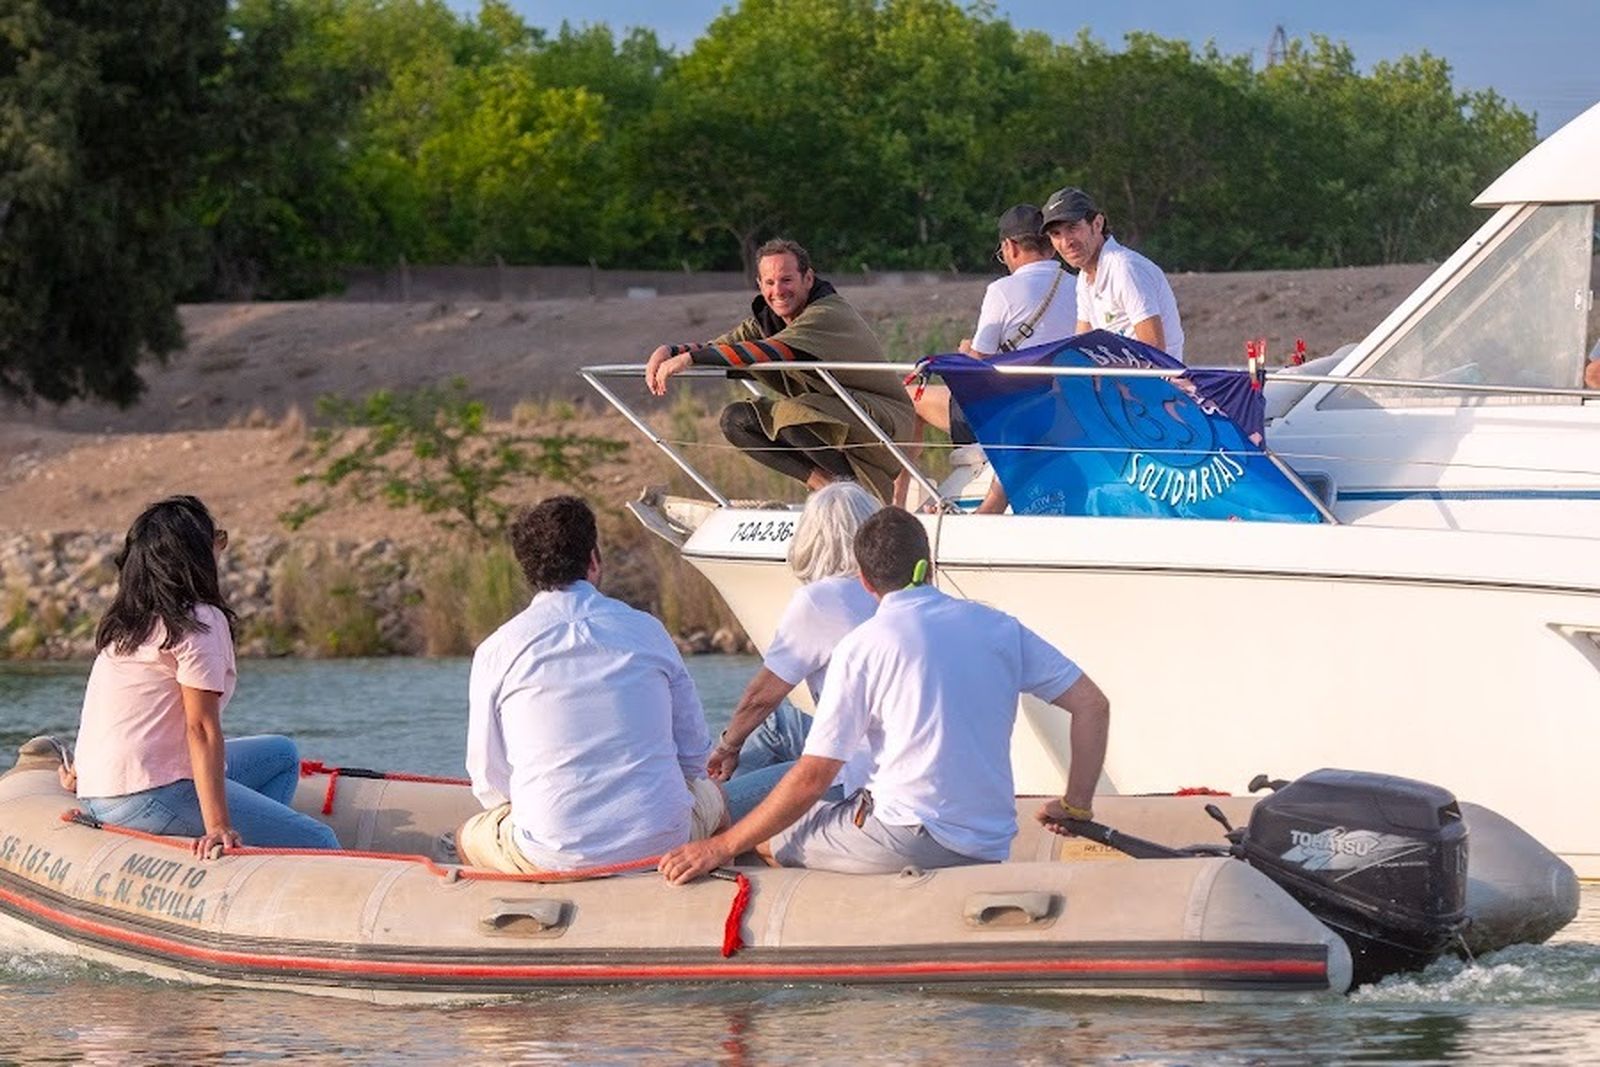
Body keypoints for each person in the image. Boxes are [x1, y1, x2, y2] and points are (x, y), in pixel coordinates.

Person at [659, 507, 1110, 882]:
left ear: (865, 582)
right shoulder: (1000, 627)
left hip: (906, 836)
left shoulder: (863, 645)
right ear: (928, 564)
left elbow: (814, 776)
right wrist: (1076, 805)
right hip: (991, 842)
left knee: (761, 842)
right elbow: (1092, 705)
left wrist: (719, 846)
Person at [457, 495, 727, 872]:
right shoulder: (648, 630)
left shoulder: (498, 649)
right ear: (594, 559)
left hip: (551, 854)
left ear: (527, 571)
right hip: (663, 843)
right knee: (715, 799)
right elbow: (695, 755)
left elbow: (489, 782)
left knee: (468, 836)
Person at [71, 495, 339, 858]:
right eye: (218, 539)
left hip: (98, 792)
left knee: (281, 754)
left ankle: (254, 851)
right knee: (321, 842)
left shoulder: (127, 624)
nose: (220, 549)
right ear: (196, 553)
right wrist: (218, 825)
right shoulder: (198, 622)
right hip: (148, 795)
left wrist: (83, 773)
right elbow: (201, 729)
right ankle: (238, 849)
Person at [643, 238, 914, 502]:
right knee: (736, 419)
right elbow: (719, 347)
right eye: (770, 283)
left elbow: (774, 350)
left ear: (807, 279)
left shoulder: (827, 312)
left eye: (786, 280)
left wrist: (692, 359)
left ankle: (856, 496)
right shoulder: (766, 322)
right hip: (837, 415)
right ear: (760, 285)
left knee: (790, 415)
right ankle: (827, 486)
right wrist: (670, 351)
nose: (778, 290)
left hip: (883, 425)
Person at [713, 481, 882, 820]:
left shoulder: (821, 599)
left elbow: (761, 696)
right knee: (778, 723)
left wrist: (727, 746)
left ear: (811, 537)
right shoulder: (889, 590)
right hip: (880, 746)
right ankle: (733, 806)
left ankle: (722, 812)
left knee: (710, 811)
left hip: (854, 770)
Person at [898, 204, 1079, 514]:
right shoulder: (1078, 286)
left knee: (910, 398)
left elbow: (976, 370)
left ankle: (898, 503)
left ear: (1009, 246)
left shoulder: (1003, 290)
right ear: (1050, 243)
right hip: (1062, 408)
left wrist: (965, 350)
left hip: (1004, 413)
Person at [1041, 187, 1185, 361]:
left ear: (1097, 224)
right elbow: (1080, 347)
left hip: (1156, 385)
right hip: (1124, 384)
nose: (1065, 242)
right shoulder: (1085, 278)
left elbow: (1154, 348)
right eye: (1055, 234)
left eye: (1072, 228)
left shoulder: (1124, 268)